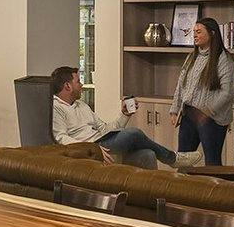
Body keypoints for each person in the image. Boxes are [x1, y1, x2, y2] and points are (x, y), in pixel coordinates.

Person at [46, 65, 193, 169]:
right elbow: (61, 138)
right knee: (133, 133)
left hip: (103, 141)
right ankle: (173, 159)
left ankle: (153, 200)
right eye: (78, 81)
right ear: (67, 86)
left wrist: (124, 115)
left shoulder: (82, 105)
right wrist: (92, 148)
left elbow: (105, 129)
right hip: (92, 147)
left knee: (147, 154)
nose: (82, 84)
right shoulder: (55, 108)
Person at [170, 17, 234, 166]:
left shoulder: (224, 60)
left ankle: (214, 189)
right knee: (182, 160)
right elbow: (181, 85)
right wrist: (175, 109)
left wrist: (207, 110)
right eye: (194, 32)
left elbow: (228, 92)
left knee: (212, 162)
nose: (194, 35)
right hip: (188, 114)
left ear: (212, 34)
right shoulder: (191, 57)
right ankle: (182, 188)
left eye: (199, 32)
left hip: (212, 119)